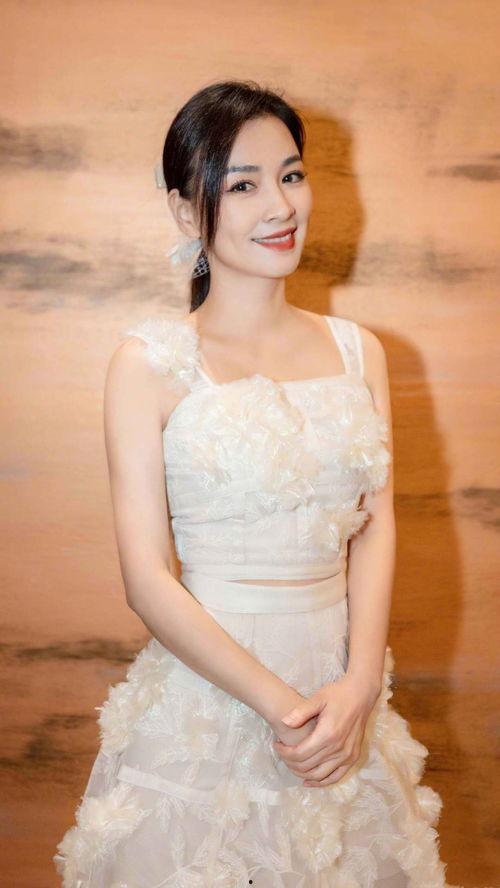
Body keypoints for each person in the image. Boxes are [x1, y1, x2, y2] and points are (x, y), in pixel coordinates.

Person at [54, 79, 462, 887]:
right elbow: (146, 579)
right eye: (242, 185)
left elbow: (377, 523)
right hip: (214, 697)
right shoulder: (149, 364)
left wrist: (357, 687)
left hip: (342, 693)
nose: (280, 206)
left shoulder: (359, 351)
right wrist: (287, 709)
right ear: (185, 212)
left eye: (291, 175)